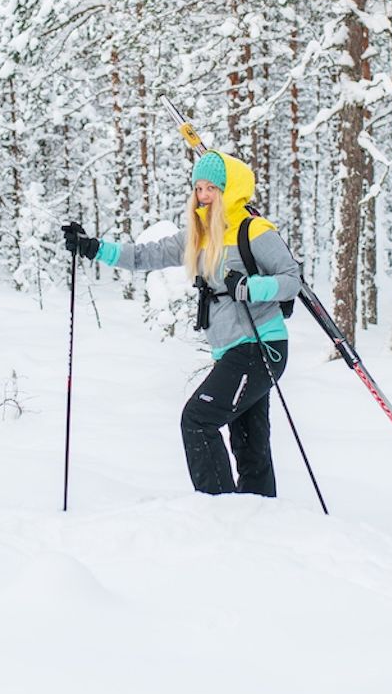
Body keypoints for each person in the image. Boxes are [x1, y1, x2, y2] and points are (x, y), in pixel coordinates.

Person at [62, 150, 300, 497]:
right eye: (198, 188)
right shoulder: (200, 234)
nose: (202, 196)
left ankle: (220, 510)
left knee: (198, 420)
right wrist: (94, 248)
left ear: (229, 190)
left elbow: (291, 278)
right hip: (232, 349)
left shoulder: (254, 230)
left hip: (261, 346)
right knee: (249, 442)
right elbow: (146, 255)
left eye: (211, 188)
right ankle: (258, 516)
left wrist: (249, 287)